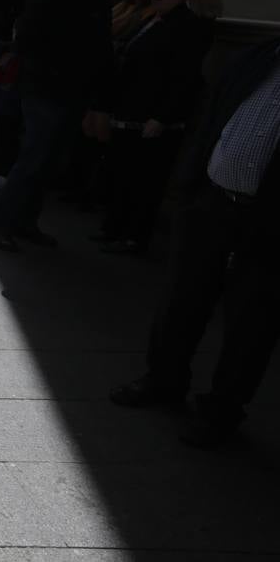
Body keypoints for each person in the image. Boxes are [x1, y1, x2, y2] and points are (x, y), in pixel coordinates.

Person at [109, 37, 280, 448]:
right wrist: (190, 187)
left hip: (269, 221)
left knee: (251, 321)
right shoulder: (256, 57)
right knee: (182, 298)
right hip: (212, 201)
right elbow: (210, 118)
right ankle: (163, 381)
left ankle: (222, 411)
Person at [0, 0, 131, 251]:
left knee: (51, 161)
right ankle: (4, 222)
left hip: (73, 92)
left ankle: (25, 222)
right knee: (35, 157)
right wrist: (56, 71)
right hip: (46, 90)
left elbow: (101, 47)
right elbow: (28, 40)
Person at [96, 0, 211, 254]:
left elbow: (184, 78)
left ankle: (134, 236)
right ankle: (114, 228)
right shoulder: (152, 20)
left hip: (155, 118)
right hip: (130, 111)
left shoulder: (188, 27)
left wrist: (162, 116)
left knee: (145, 181)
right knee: (121, 174)